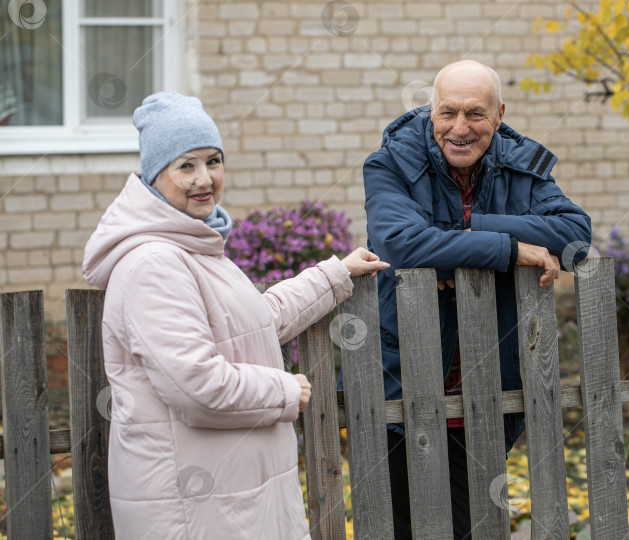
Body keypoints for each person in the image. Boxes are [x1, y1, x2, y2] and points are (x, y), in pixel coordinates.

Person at [82, 91, 388, 540]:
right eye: (185, 165)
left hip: (230, 498)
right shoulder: (154, 263)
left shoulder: (192, 246)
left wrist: (334, 274)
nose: (204, 178)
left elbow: (254, 320)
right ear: (154, 177)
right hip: (196, 507)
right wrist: (285, 389)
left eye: (213, 161)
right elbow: (197, 388)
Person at [363, 60, 592, 539]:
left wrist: (475, 231)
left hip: (489, 384)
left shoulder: (521, 164)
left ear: (499, 113)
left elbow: (575, 237)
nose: (460, 128)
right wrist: (510, 251)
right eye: (447, 113)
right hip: (405, 382)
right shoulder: (391, 164)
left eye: (475, 114)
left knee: (475, 527)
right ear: (431, 112)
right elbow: (401, 244)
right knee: (405, 528)